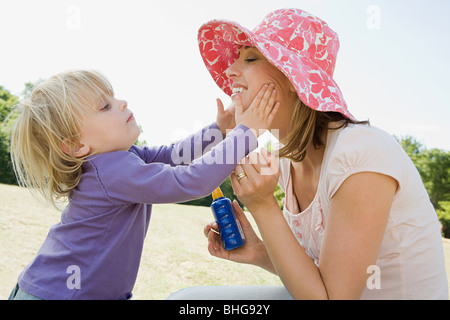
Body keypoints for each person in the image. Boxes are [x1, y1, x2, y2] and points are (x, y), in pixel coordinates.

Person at [168, 8, 448, 299]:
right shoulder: (288, 162)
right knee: (185, 300)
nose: (229, 72)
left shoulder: (361, 152)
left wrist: (263, 206)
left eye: (250, 58)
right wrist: (260, 252)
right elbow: (319, 279)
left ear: (292, 78)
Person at [8, 69, 279, 300]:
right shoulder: (112, 171)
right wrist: (247, 133)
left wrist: (219, 130)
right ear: (77, 146)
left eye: (113, 97)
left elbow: (177, 156)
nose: (122, 102)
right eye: (105, 106)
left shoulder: (124, 159)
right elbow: (191, 181)